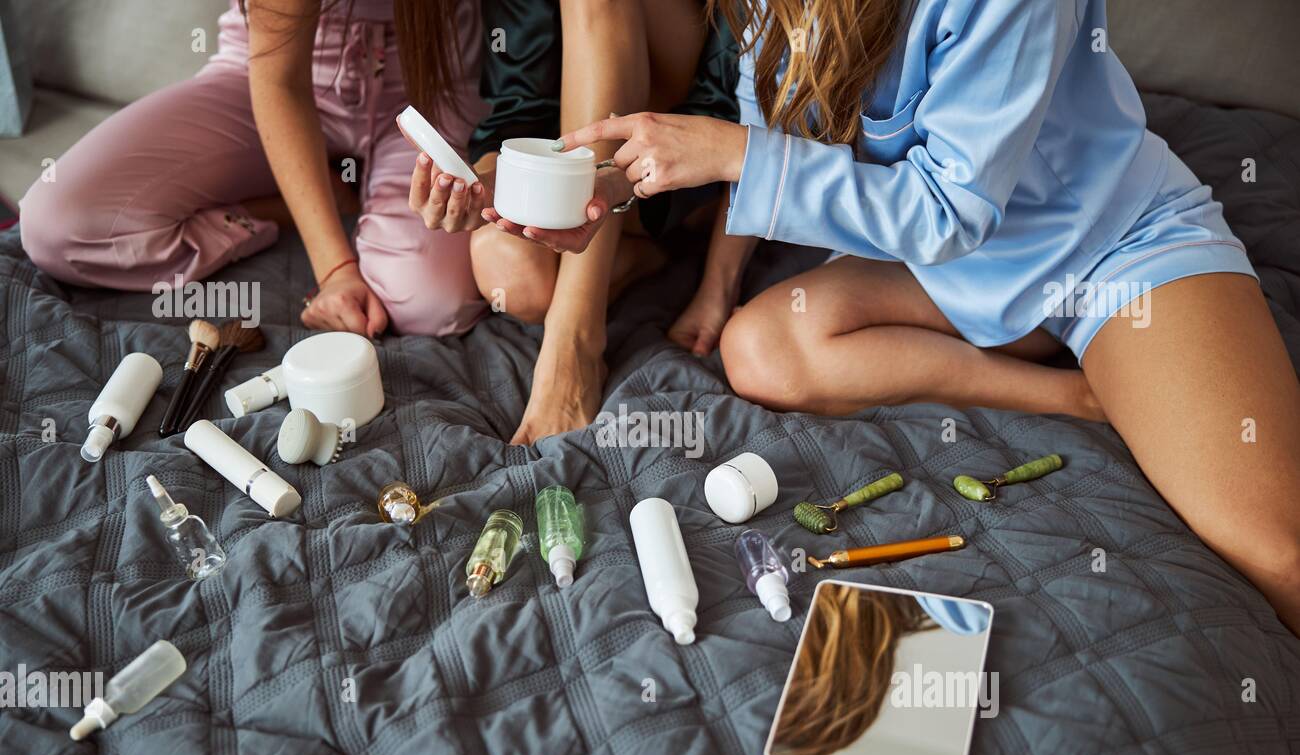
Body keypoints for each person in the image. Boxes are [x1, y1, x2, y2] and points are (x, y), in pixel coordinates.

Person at [555, 0, 1300, 634]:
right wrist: (715, 287)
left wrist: (736, 153)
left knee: (1278, 551)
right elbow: (766, 127)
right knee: (760, 349)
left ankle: (1128, 374)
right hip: (951, 269)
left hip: (1105, 247)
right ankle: (1087, 397)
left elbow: (947, 209)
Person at [20, 0, 485, 337]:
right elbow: (279, 81)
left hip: (427, 86)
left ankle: (327, 185)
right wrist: (337, 270)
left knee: (431, 305)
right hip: (269, 76)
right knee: (55, 226)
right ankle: (293, 199)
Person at [407, 0, 738, 443]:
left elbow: (739, 107)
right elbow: (518, 101)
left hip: (677, 169)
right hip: (585, 180)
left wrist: (718, 287)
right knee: (513, 274)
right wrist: (489, 185)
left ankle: (576, 338)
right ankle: (643, 257)